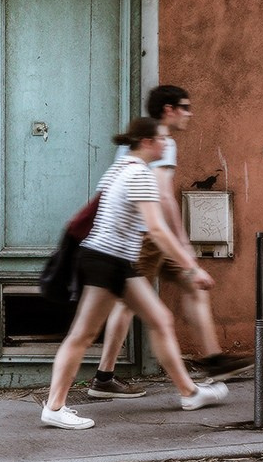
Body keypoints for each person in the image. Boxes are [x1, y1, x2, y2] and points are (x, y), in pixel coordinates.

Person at [41, 118, 230, 430]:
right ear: (146, 142)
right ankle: (54, 406)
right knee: (83, 335)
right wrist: (190, 266)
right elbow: (157, 229)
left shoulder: (120, 168)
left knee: (160, 319)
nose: (166, 143)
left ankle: (190, 393)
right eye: (161, 139)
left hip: (115, 261)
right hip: (108, 261)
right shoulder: (140, 175)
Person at [87, 86, 252, 399]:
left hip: (149, 236)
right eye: (185, 107)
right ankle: (105, 377)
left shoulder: (138, 138)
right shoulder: (161, 141)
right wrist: (182, 241)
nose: (189, 113)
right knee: (129, 304)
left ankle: (214, 361)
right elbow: (163, 195)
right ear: (168, 110)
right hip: (149, 238)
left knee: (192, 286)